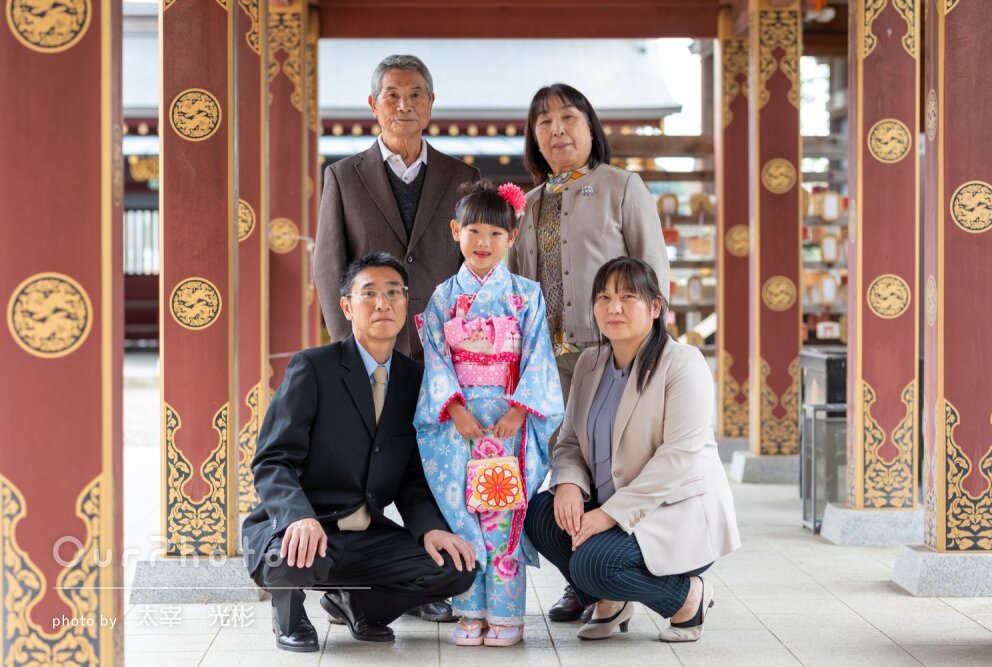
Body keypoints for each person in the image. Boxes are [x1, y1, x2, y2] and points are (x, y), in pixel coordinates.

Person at [242, 253, 477, 653]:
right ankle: (290, 614)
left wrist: (429, 527)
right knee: (291, 555)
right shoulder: (312, 368)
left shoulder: (415, 379)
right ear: (347, 306)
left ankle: (358, 602)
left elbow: (411, 477)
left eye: (393, 293)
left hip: (366, 534)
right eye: (368, 293)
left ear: (406, 303)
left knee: (456, 568)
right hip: (305, 526)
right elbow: (273, 460)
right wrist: (298, 518)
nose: (382, 303)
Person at [507, 82, 671, 623]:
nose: (557, 129)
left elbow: (653, 273)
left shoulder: (622, 187)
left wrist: (651, 351)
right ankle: (580, 581)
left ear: (590, 127)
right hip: (546, 368)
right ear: (533, 136)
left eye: (568, 117)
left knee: (611, 469)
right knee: (562, 474)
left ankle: (618, 575)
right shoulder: (527, 205)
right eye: (544, 121)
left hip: (610, 358)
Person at [523, 257, 740, 643]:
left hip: (672, 513)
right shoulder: (590, 363)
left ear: (656, 308)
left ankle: (687, 598)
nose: (614, 308)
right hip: (613, 511)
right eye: (603, 298)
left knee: (592, 563)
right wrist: (569, 485)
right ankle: (612, 599)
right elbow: (570, 440)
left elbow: (677, 459)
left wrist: (608, 515)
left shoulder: (683, 364)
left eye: (627, 297)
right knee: (540, 514)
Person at [414, 181, 564, 646]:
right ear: (456, 231)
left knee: (502, 514)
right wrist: (454, 407)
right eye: (473, 231)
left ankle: (506, 617)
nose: (483, 243)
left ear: (512, 238)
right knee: (463, 514)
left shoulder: (526, 295)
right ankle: (469, 610)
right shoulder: (443, 297)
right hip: (459, 424)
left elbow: (539, 356)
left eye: (496, 234)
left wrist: (521, 411)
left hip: (508, 422)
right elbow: (437, 357)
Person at [315, 54, 479, 364]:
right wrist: (346, 344)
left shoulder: (462, 178)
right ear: (373, 104)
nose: (404, 105)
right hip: (370, 343)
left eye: (415, 95)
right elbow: (328, 265)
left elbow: (472, 264)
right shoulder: (343, 176)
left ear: (430, 102)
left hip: (443, 347)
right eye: (392, 95)